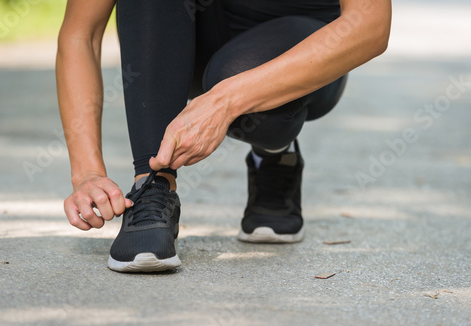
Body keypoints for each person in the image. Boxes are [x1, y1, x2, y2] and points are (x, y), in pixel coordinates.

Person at [56, 0, 391, 272]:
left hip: (303, 39)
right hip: (193, 31)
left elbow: (370, 25)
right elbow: (80, 34)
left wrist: (225, 101)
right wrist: (87, 171)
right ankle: (152, 186)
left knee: (243, 86)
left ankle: (276, 153)